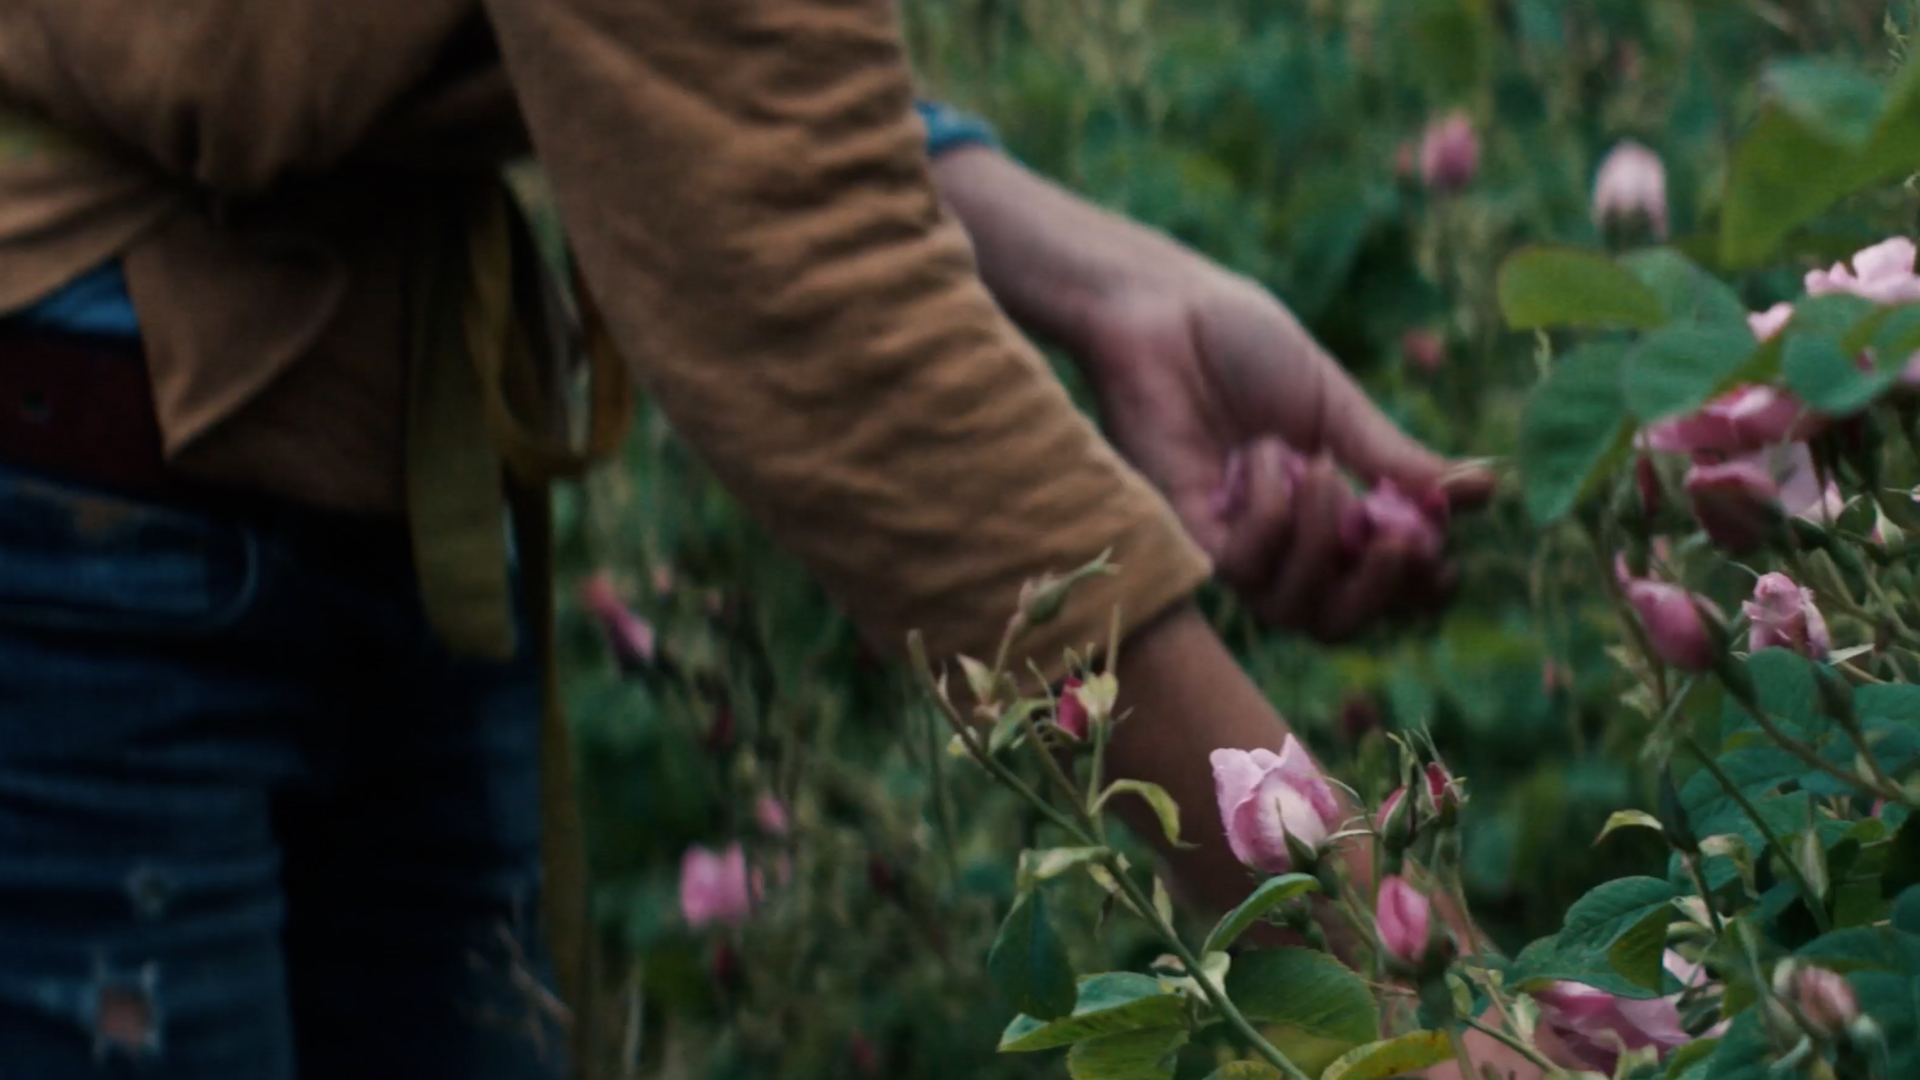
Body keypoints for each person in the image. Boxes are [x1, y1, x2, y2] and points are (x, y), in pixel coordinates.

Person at [0, 2, 1532, 1079]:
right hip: (96, 526)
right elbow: (816, 284)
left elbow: (701, 64)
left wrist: (1093, 276)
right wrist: (1414, 983)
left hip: (275, 461)